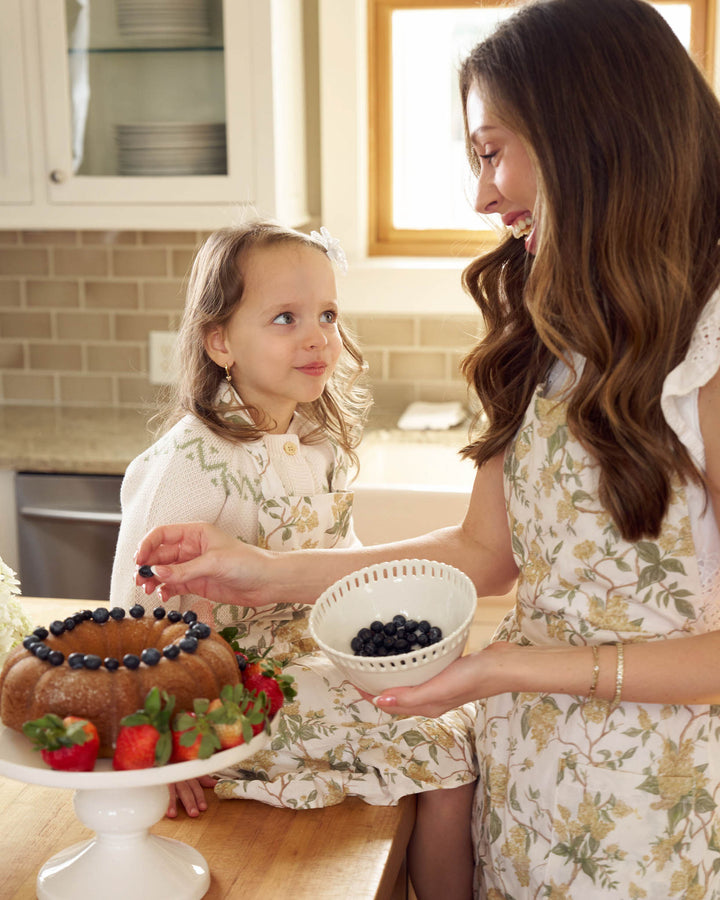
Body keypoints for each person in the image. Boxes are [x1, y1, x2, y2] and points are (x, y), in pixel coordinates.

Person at [132, 1, 720, 896]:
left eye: (491, 151)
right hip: (527, 788)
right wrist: (259, 572)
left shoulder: (710, 348)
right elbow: (481, 555)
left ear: (590, 135)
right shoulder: (551, 333)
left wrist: (503, 667)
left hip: (657, 820)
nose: (481, 193)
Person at [111, 220, 477, 898]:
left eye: (329, 315)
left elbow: (341, 561)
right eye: (286, 318)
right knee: (442, 745)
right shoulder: (192, 461)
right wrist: (166, 736)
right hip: (226, 699)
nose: (319, 338)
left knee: (456, 720)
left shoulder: (318, 441)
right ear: (220, 341)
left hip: (310, 664)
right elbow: (139, 615)